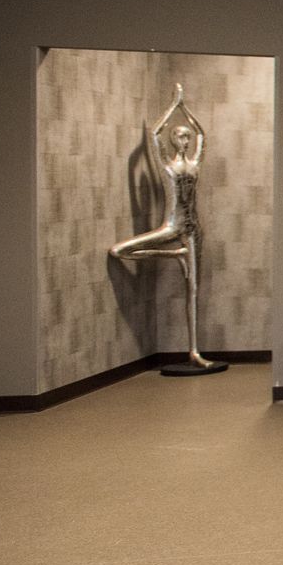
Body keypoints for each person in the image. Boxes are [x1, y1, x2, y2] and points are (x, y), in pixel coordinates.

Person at [109, 84, 219, 369]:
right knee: (119, 251)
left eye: (187, 137)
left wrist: (185, 108)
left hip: (192, 228)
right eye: (181, 136)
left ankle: (194, 351)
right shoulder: (167, 166)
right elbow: (154, 134)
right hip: (172, 225)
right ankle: (174, 255)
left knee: (193, 288)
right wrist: (174, 105)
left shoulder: (194, 165)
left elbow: (203, 135)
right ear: (173, 139)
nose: (186, 140)